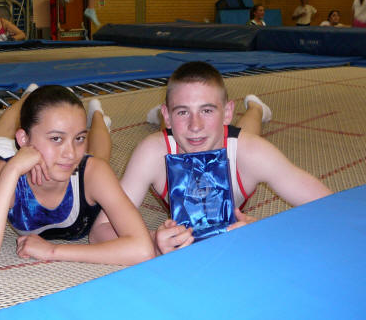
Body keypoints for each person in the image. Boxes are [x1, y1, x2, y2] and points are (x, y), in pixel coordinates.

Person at [92, 61, 333, 254]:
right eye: (182, 111)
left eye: (207, 110)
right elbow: (99, 231)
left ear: (227, 112)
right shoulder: (152, 153)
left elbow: (332, 206)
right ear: (166, 115)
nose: (195, 125)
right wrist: (153, 241)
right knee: (213, 136)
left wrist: (264, 231)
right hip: (175, 138)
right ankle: (100, 118)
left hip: (239, 145)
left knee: (247, 136)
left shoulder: (253, 152)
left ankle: (256, 109)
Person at [0, 85, 155, 273]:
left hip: (82, 172)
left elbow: (142, 249)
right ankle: (28, 95)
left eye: (79, 138)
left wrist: (53, 251)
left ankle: (97, 116)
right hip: (18, 157)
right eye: (56, 139)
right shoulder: (1, 173)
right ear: (24, 140)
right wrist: (12, 170)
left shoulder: (92, 173)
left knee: (99, 157)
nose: (71, 153)